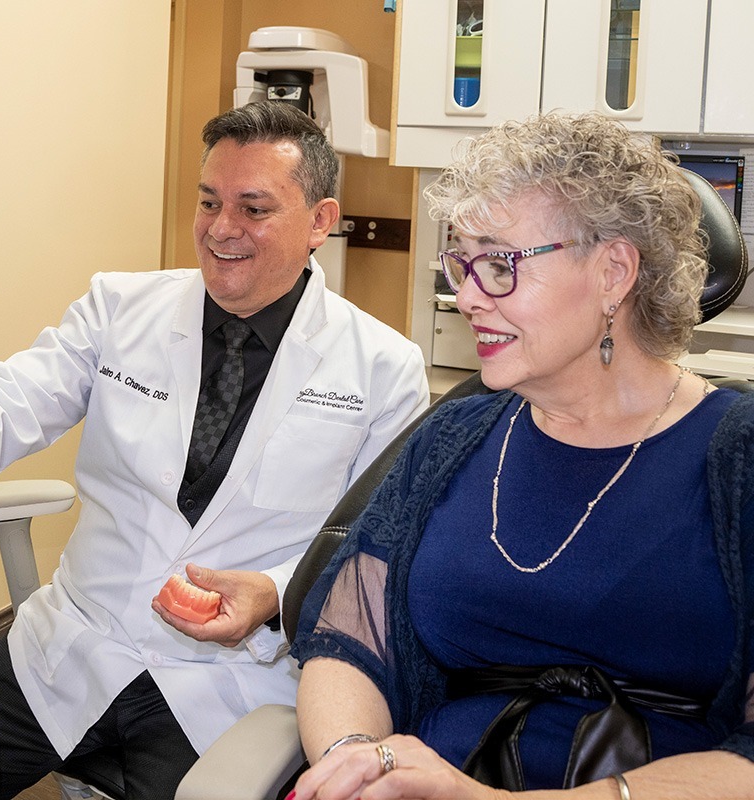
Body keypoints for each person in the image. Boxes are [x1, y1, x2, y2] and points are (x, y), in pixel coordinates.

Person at [0, 101, 429, 799]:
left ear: (320, 220)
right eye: (208, 202)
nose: (222, 229)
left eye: (254, 208)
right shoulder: (121, 309)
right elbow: (10, 396)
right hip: (74, 648)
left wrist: (278, 594)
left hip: (230, 682)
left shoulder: (382, 368)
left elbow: (376, 554)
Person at [288, 111, 754, 800]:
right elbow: (349, 643)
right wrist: (361, 762)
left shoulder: (736, 458)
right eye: (460, 264)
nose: (466, 297)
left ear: (613, 273)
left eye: (499, 265)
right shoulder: (456, 436)